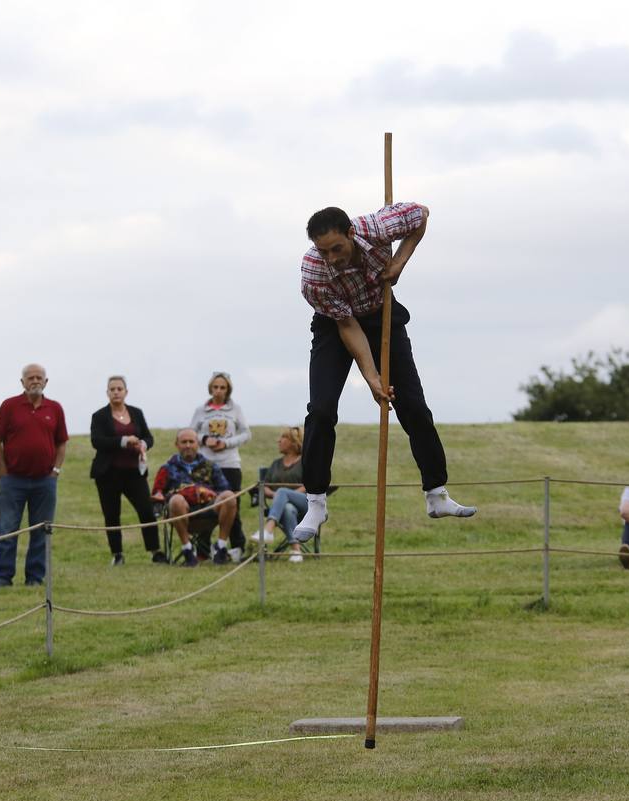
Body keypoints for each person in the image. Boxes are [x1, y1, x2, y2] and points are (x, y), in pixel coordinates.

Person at [292, 203, 476, 543]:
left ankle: (436, 494)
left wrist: (399, 262)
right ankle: (315, 503)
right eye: (323, 251)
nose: (332, 257)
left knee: (414, 407)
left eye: (337, 248)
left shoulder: (377, 227)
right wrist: (372, 377)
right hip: (337, 326)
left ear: (351, 233)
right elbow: (348, 326)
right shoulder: (313, 273)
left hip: (382, 314)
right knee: (320, 410)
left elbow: (421, 214)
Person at [0, 363, 68, 587]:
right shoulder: (9, 406)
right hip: (13, 480)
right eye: (30, 378)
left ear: (46, 381)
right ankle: (4, 577)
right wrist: (3, 472)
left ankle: (35, 577)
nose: (35, 381)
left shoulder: (55, 408)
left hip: (45, 481)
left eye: (39, 377)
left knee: (41, 530)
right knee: (7, 529)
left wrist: (55, 471)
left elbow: (62, 442)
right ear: (22, 382)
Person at [90, 375, 166, 566]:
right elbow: (97, 441)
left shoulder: (137, 413)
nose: (116, 392)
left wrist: (142, 444)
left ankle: (155, 551)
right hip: (108, 473)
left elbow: (149, 437)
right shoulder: (99, 416)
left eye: (119, 389)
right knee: (112, 515)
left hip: (134, 472)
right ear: (107, 393)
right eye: (112, 389)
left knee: (146, 511)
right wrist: (123, 441)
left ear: (126, 392)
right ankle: (117, 554)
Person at [151, 430, 237, 567]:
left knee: (229, 497)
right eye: (184, 442)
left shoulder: (211, 466)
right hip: (180, 513)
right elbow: (157, 494)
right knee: (177, 500)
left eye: (191, 442)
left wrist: (209, 493)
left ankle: (221, 547)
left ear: (198, 444)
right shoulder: (167, 468)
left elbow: (224, 488)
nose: (188, 445)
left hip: (209, 511)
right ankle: (188, 550)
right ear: (177, 445)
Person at [189, 372, 251, 559]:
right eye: (215, 387)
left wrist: (227, 443)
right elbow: (190, 434)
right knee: (205, 505)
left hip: (230, 464)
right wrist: (205, 439)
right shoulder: (201, 411)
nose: (218, 391)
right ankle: (203, 548)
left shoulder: (235, 409)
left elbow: (246, 434)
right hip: (206, 464)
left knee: (232, 505)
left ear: (228, 390)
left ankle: (236, 546)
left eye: (222, 387)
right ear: (210, 388)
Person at [252, 426, 307, 563]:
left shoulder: (306, 461)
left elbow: (311, 484)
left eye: (283, 438)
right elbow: (264, 486)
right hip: (283, 507)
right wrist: (278, 498)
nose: (279, 441)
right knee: (287, 508)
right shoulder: (276, 464)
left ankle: (269, 528)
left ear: (294, 442)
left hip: (306, 504)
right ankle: (296, 550)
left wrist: (285, 495)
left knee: (283, 493)